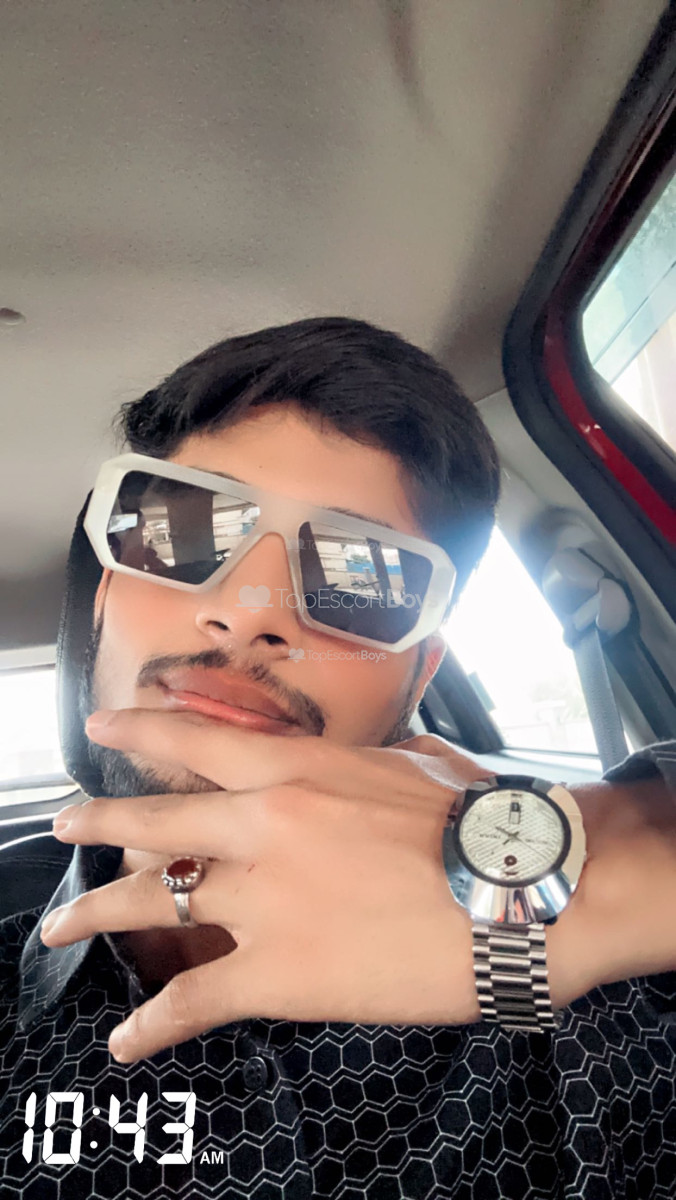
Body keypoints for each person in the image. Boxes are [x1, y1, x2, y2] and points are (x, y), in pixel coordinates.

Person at [0, 317, 674, 1200]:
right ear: (102, 601)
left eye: (364, 578)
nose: (249, 611)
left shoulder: (593, 991)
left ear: (417, 676)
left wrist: (574, 871)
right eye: (181, 529)